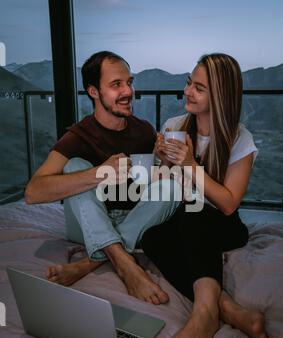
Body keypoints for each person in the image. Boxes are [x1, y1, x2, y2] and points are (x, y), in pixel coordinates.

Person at [25, 51, 182, 305]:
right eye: (116, 84)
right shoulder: (78, 136)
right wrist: (98, 174)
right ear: (94, 91)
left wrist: (162, 163)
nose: (128, 91)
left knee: (174, 186)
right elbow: (33, 192)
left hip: (133, 221)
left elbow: (152, 186)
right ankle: (125, 264)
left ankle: (93, 261)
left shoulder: (143, 130)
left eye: (129, 82)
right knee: (75, 166)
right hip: (86, 224)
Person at [141, 53, 269, 338]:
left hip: (224, 226)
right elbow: (161, 186)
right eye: (189, 83)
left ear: (221, 96)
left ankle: (204, 316)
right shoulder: (175, 124)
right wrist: (161, 162)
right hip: (183, 217)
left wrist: (189, 163)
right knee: (151, 238)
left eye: (198, 88)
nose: (187, 91)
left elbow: (228, 204)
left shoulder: (240, 140)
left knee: (193, 213)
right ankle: (227, 309)